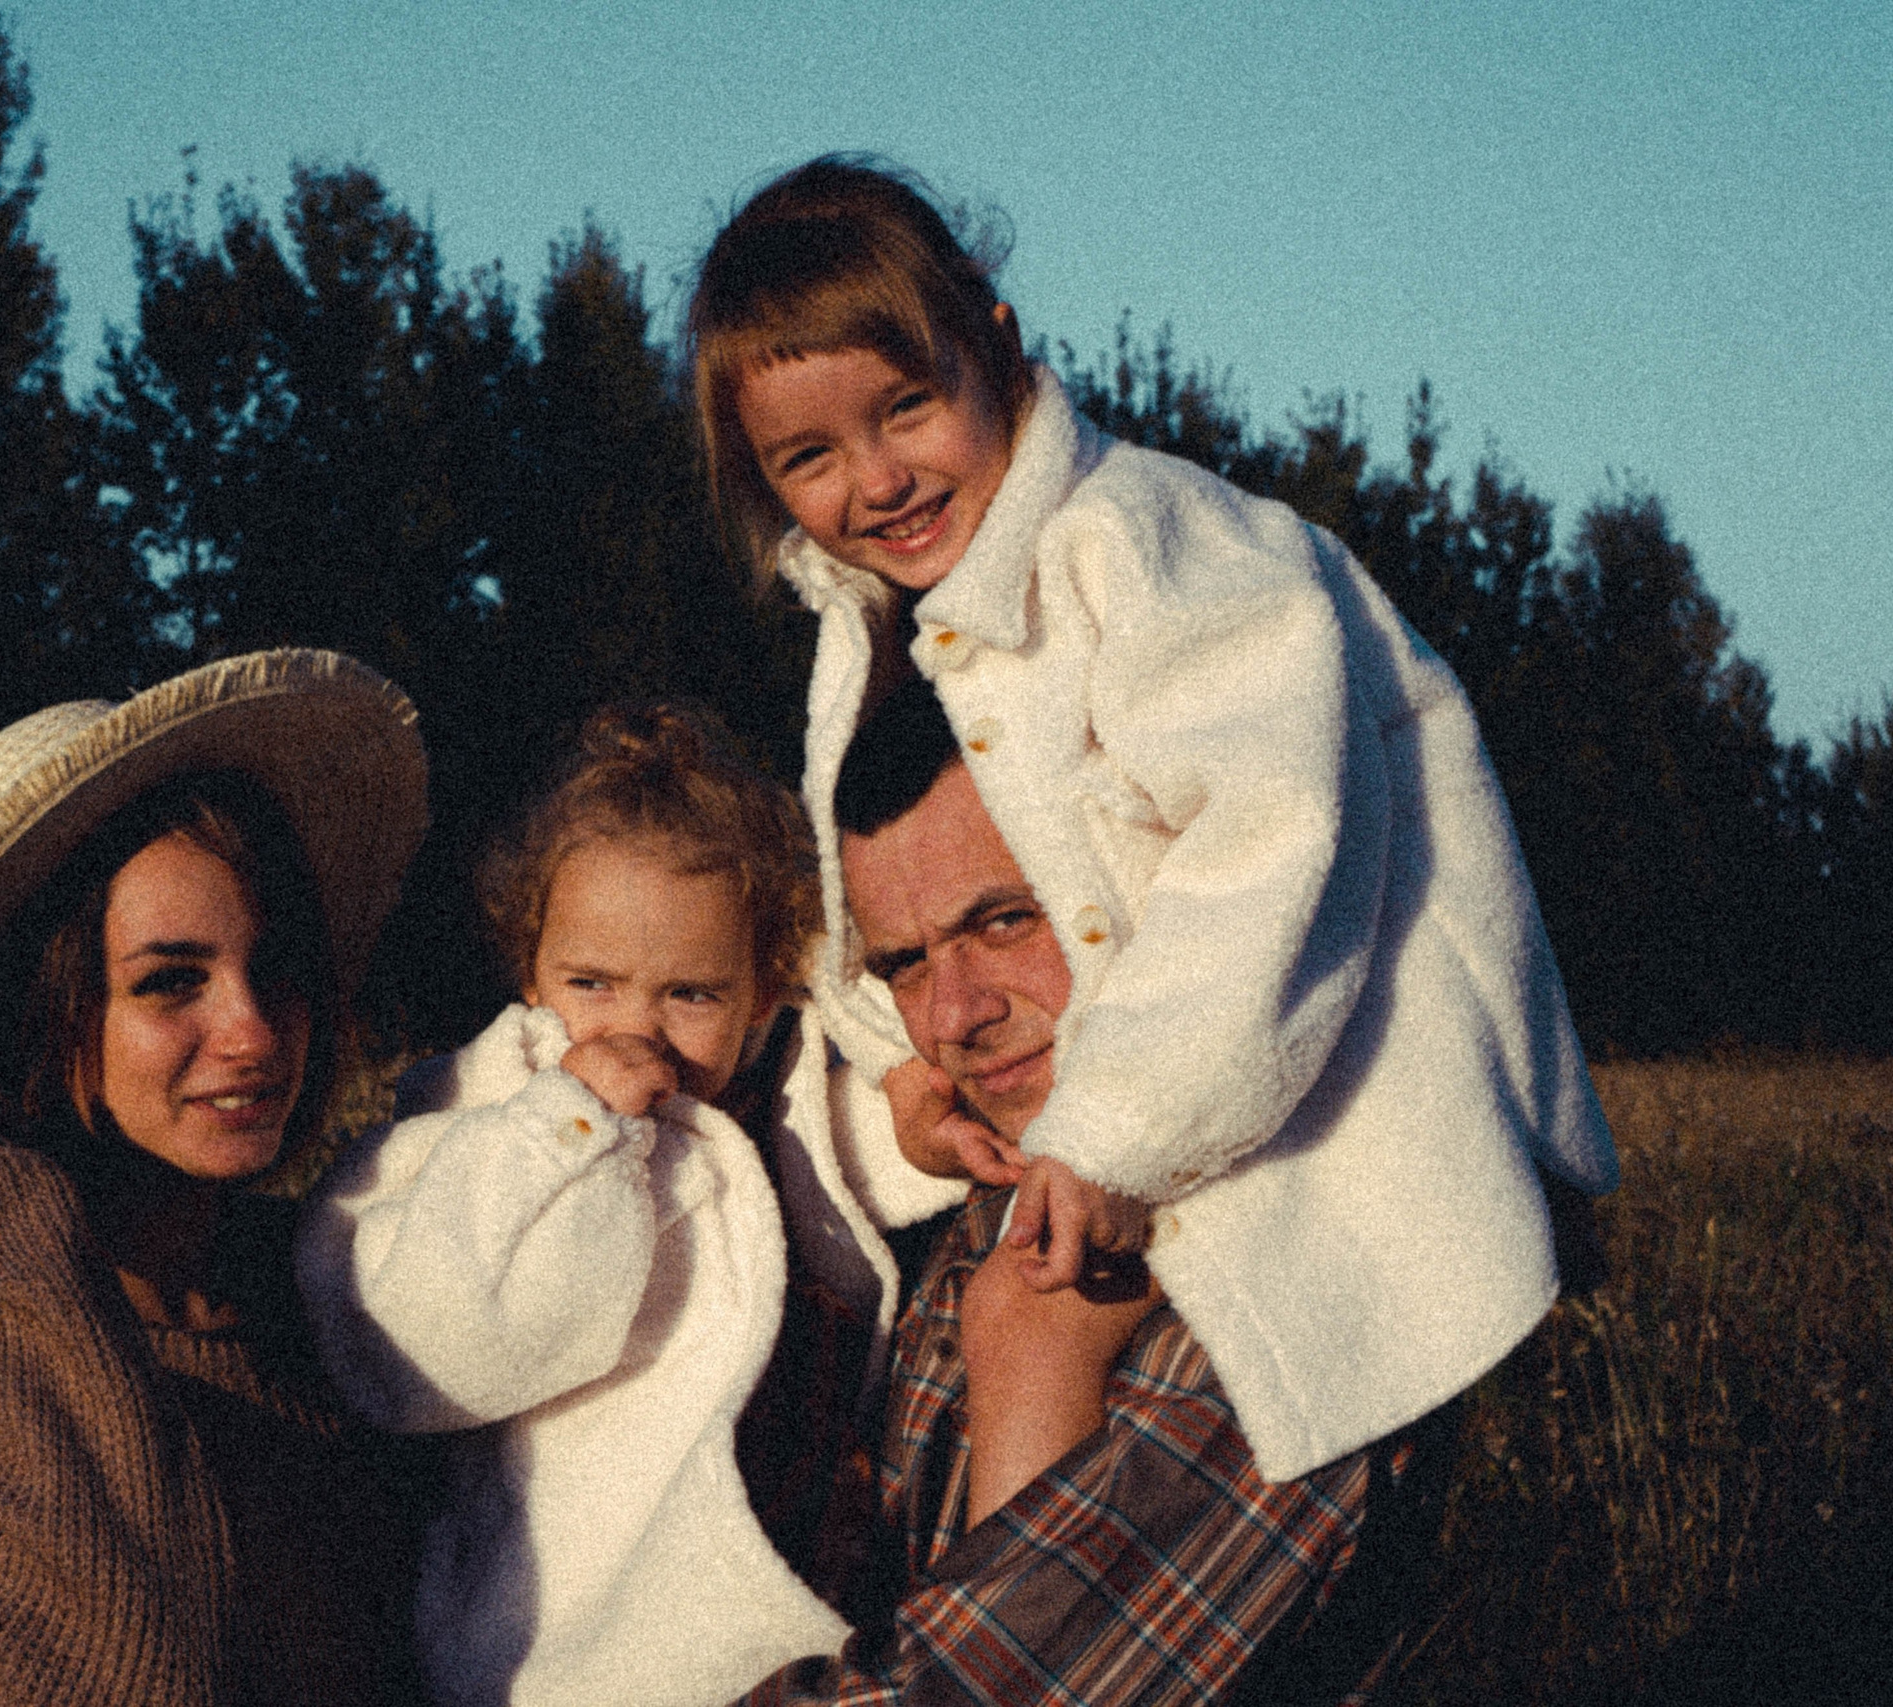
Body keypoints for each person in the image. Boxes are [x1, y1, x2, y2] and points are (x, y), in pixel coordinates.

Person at [689, 156, 1619, 1484]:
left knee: (1030, 1318)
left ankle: (1012, 1612)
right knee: (944, 1334)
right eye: (810, 457)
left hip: (1340, 1081)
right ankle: (980, 1583)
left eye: (906, 407)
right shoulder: (872, 630)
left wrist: (1113, 1131)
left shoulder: (1149, 546)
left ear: (995, 344)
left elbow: (1269, 855)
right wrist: (903, 1068)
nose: (877, 479)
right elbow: (875, 908)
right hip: (1183, 1084)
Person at [296, 704, 1041, 1707]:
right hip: (579, 1639)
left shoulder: (759, 1099)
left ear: (762, 996)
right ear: (530, 973)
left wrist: (914, 1139)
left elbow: (832, 1157)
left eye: (690, 994)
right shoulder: (490, 1120)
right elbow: (444, 1346)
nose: (637, 1029)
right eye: (592, 983)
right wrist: (575, 1129)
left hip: (781, 1590)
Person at [739, 679, 1462, 1704]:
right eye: (903, 965)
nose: (952, 1016)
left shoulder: (1276, 1292)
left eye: (1004, 920)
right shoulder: (997, 1182)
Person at [0, 649, 433, 1707]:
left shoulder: (333, 1295)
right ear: (41, 1015)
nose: (253, 1029)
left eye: (275, 966)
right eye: (171, 980)